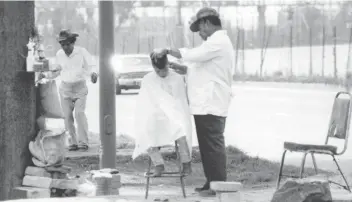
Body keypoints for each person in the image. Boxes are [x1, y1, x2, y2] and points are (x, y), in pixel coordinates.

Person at [152, 7, 235, 195]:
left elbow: (194, 55)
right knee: (207, 147)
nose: (200, 33)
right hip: (205, 104)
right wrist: (182, 69)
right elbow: (201, 69)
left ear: (207, 23)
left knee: (212, 146)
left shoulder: (218, 41)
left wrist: (168, 50)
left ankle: (217, 185)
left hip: (211, 103)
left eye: (201, 29)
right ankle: (211, 182)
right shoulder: (214, 44)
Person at [132, 53, 192, 177]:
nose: (162, 73)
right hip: (156, 115)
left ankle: (186, 164)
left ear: (167, 65)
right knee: (144, 131)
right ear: (154, 68)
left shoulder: (177, 78)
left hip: (174, 115)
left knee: (181, 133)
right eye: (158, 71)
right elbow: (145, 102)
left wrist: (170, 112)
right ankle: (158, 164)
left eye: (164, 69)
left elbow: (181, 101)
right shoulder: (148, 79)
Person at [40, 29, 98, 152]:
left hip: (80, 87)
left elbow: (92, 65)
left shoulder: (81, 52)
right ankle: (72, 142)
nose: (65, 47)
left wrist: (93, 73)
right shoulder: (59, 54)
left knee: (79, 114)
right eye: (62, 44)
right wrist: (45, 75)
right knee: (67, 116)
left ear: (72, 43)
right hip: (65, 88)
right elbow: (57, 70)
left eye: (67, 44)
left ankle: (83, 142)